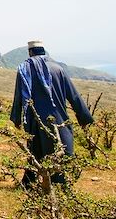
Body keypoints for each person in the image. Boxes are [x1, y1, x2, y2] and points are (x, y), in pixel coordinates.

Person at [9, 40, 93, 189]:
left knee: (35, 151)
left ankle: (30, 184)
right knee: (61, 150)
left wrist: (16, 118)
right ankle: (60, 187)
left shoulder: (24, 70)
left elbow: (18, 96)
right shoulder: (58, 69)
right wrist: (83, 117)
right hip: (58, 119)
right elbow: (73, 95)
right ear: (44, 51)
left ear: (30, 52)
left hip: (34, 120)